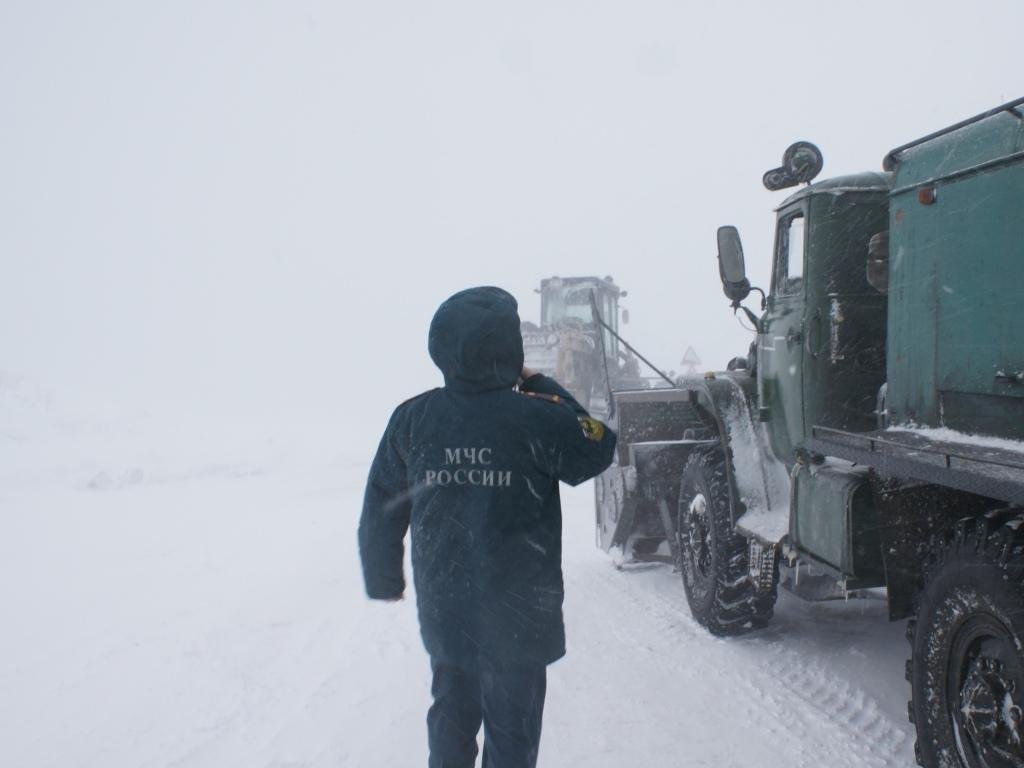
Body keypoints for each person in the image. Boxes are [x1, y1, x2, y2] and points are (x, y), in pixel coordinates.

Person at [358, 286, 616, 767]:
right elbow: (598, 446)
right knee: (512, 738)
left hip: (448, 610)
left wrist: (384, 576)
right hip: (520, 618)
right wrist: (540, 382)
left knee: (451, 724)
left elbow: (381, 503)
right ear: (510, 351)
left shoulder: (413, 419)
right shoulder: (539, 418)